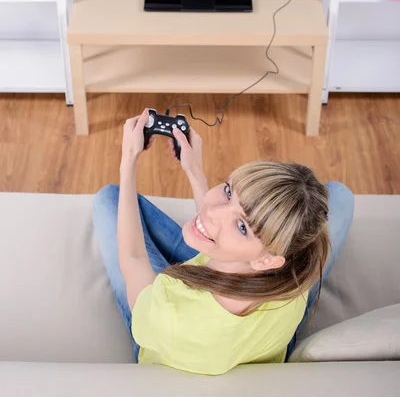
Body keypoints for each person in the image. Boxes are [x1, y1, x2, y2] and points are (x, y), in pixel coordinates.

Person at [93, 109, 354, 375]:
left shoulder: (170, 314)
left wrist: (128, 161)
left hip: (173, 334)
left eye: (242, 227)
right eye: (229, 191)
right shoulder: (297, 270)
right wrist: (195, 172)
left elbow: (134, 260)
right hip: (249, 321)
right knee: (334, 197)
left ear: (267, 260)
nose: (211, 211)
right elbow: (231, 224)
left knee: (108, 197)